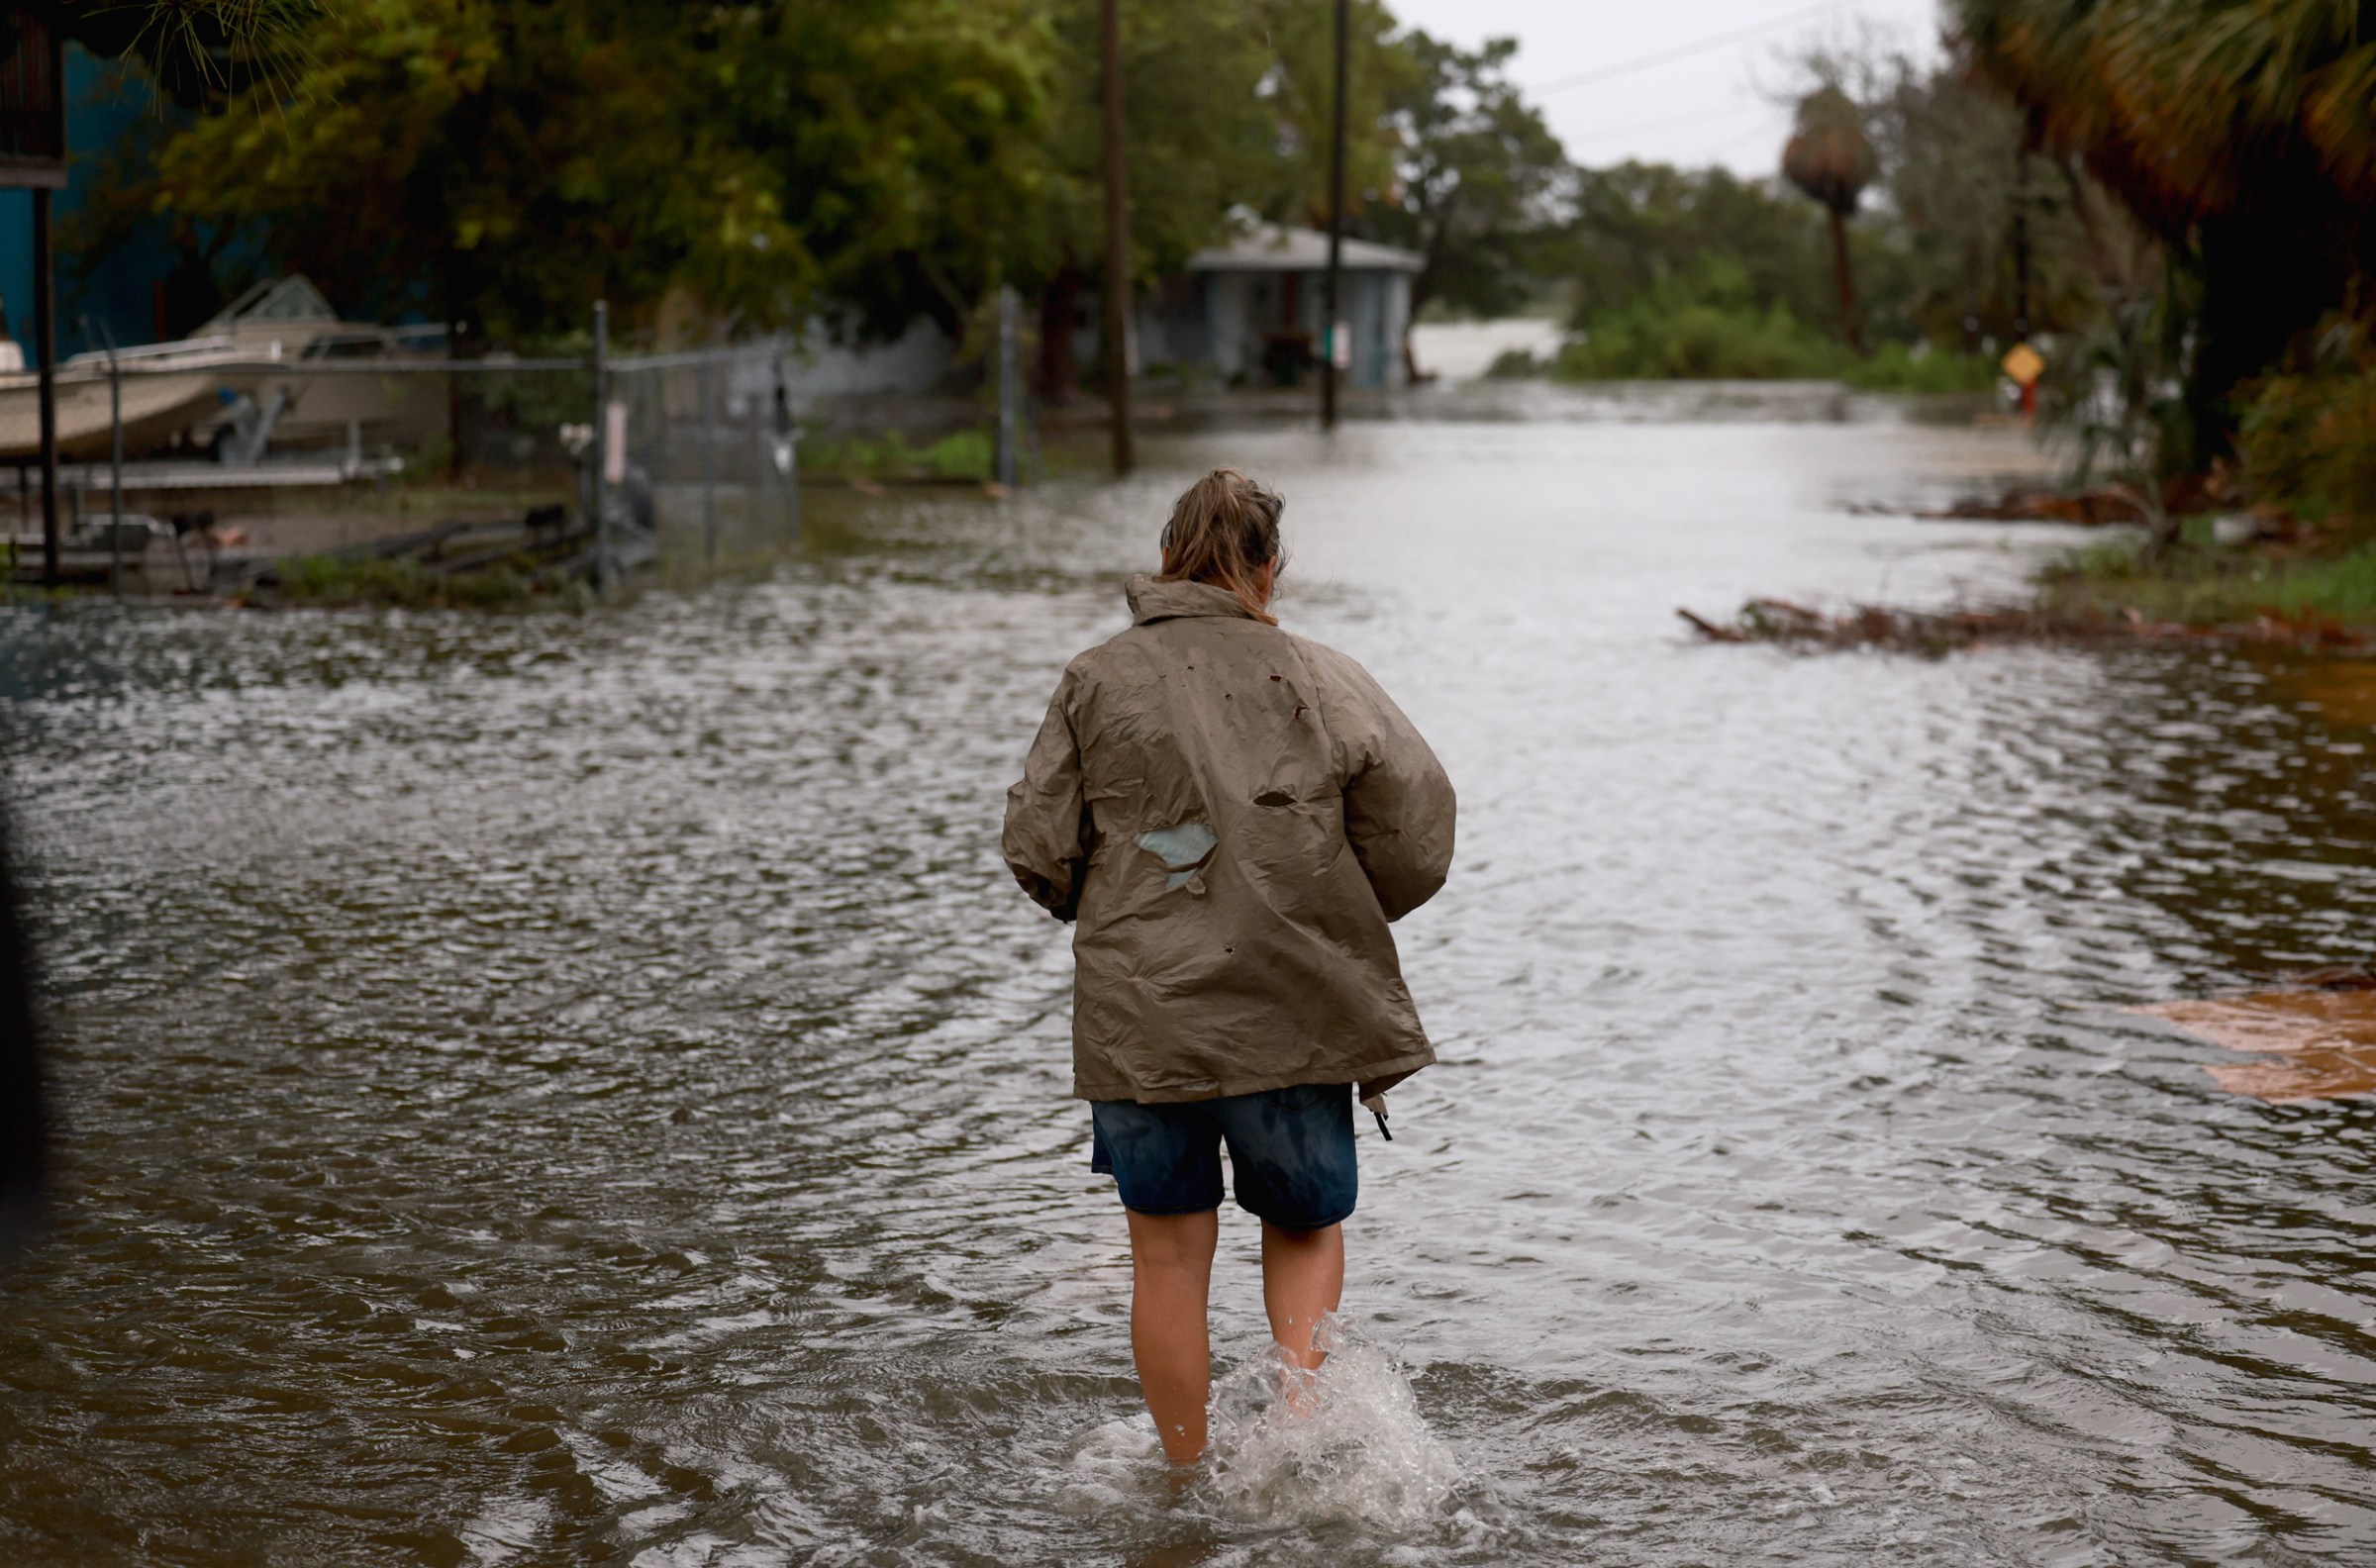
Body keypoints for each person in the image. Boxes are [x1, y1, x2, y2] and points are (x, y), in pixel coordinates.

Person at [1002, 467, 1455, 1465]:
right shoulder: (1321, 676)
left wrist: (1126, 911)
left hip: (1140, 1018)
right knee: (1300, 1228)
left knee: (1164, 1257)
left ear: (1168, 558)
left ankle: (1180, 1482)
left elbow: (1038, 850)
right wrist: (1324, 905)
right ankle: (1296, 1452)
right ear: (1269, 568)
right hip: (1292, 1008)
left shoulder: (1092, 679)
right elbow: (1419, 833)